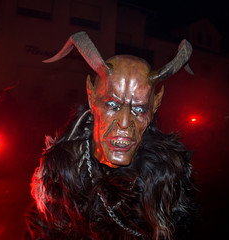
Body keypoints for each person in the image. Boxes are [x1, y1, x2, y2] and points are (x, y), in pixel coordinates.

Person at [25, 31, 196, 240]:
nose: (124, 123)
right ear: (91, 96)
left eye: (139, 110)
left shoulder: (166, 180)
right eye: (112, 105)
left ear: (155, 106)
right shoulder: (61, 172)